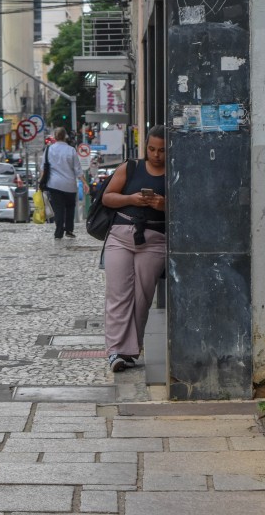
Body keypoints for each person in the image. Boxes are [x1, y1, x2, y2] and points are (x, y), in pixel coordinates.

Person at [100, 125, 167, 372]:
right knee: (118, 294)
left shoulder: (176, 173)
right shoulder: (131, 167)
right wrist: (131, 199)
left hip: (155, 239)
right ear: (145, 146)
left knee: (142, 297)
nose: (156, 155)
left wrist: (163, 204)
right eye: (152, 149)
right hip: (121, 235)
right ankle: (115, 351)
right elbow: (108, 197)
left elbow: (188, 208)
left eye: (161, 150)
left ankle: (131, 350)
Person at [42, 127, 85, 240]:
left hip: (54, 184)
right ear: (65, 136)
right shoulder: (71, 150)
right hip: (69, 185)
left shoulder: (48, 150)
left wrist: (40, 183)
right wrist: (85, 183)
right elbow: (77, 169)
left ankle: (59, 230)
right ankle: (69, 229)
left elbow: (43, 168)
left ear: (55, 137)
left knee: (58, 208)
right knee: (70, 207)